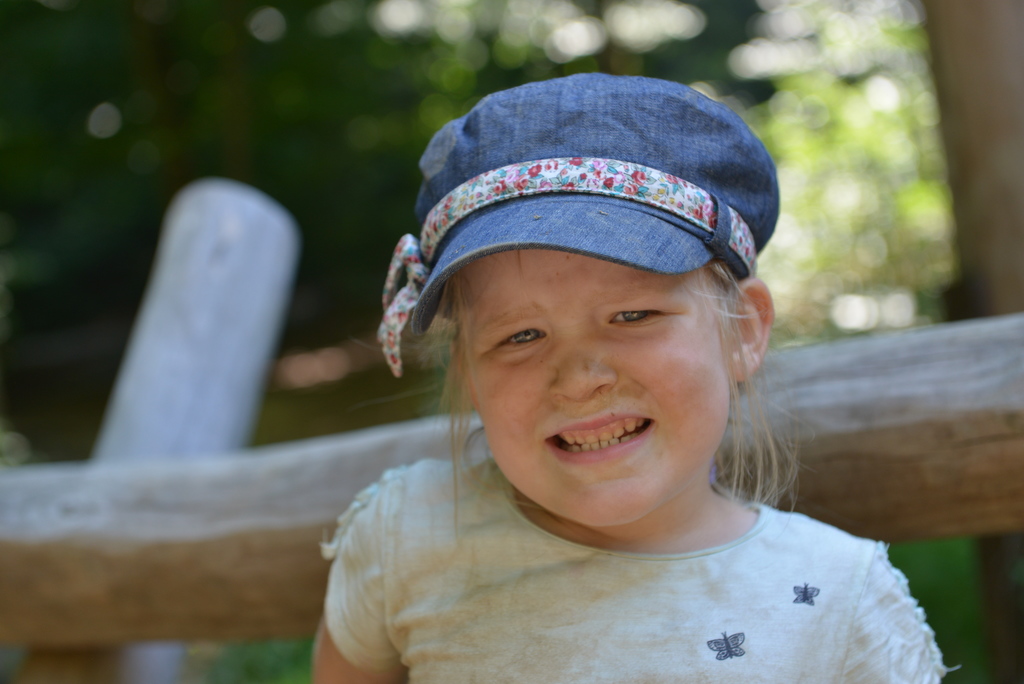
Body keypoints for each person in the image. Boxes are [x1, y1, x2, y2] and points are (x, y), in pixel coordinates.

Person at [312, 73, 948, 683]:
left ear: (745, 330)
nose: (580, 380)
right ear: (468, 373)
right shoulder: (407, 537)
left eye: (633, 315)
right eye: (521, 336)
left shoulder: (838, 599)